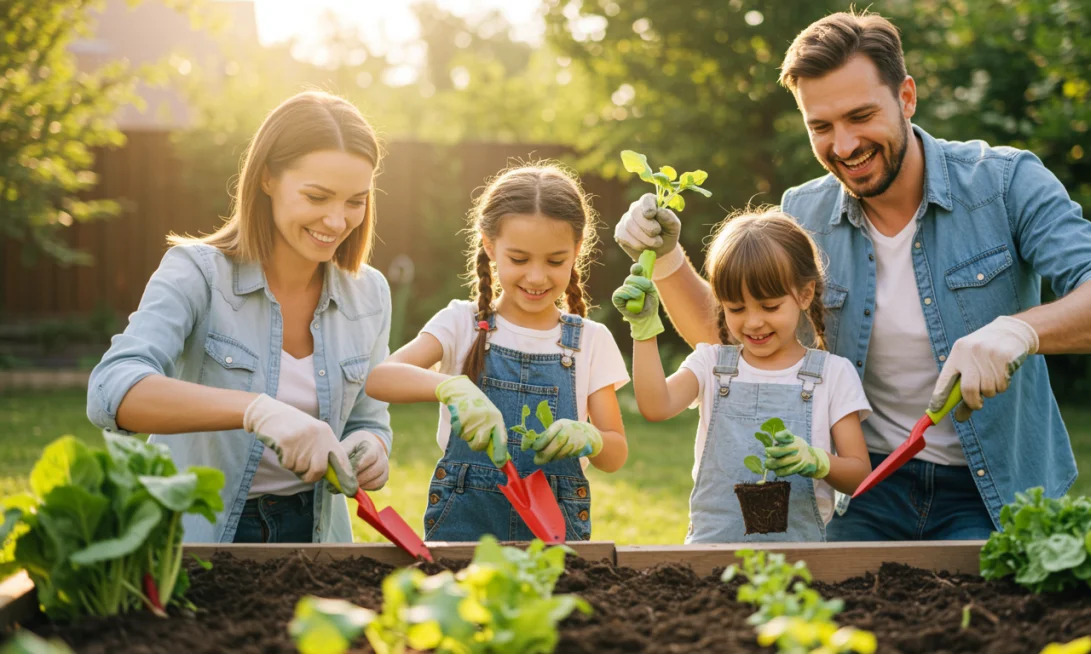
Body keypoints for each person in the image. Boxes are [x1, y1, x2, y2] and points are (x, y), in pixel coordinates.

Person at [612, 11, 1091, 541]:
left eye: (860, 116)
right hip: (865, 487)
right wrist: (667, 258)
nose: (844, 146)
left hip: (991, 492)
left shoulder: (1004, 182)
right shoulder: (803, 210)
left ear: (907, 98)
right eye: (821, 127)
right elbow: (743, 336)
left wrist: (1017, 332)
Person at [87, 91, 393, 543]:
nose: (336, 220)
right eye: (317, 196)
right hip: (199, 535)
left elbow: (369, 419)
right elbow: (111, 391)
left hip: (316, 540)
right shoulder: (198, 272)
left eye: (355, 201)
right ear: (267, 177)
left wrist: (373, 449)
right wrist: (256, 411)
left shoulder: (369, 293)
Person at [365, 164, 628, 542]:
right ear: (490, 247)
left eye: (555, 261)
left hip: (554, 535)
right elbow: (381, 379)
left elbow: (615, 455)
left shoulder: (591, 340)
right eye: (519, 259)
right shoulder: (461, 323)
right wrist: (450, 387)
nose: (536, 277)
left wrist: (592, 438)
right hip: (463, 531)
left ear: (577, 250)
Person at [613, 210, 871, 543]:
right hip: (711, 557)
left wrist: (819, 461)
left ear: (805, 294)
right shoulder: (711, 363)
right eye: (736, 308)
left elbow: (859, 475)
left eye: (769, 306)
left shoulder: (833, 375)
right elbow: (654, 405)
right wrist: (644, 329)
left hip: (800, 564)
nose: (752, 322)